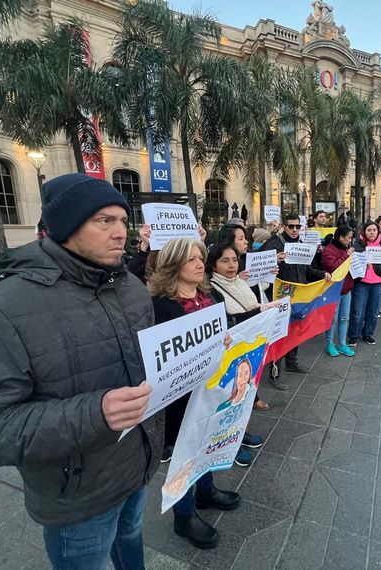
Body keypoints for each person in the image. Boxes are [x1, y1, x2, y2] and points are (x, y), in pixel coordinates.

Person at [0, 173, 162, 569]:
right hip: (75, 495)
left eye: (123, 221)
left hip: (135, 464)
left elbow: (145, 360)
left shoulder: (129, 286)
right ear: (66, 227)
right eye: (103, 221)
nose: (120, 232)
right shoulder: (3, 310)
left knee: (129, 540)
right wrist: (94, 414)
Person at [149, 238, 240, 550]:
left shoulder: (208, 294)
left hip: (209, 387)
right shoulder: (160, 305)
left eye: (200, 257)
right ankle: (183, 514)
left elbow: (220, 330)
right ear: (173, 264)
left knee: (205, 441)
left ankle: (205, 490)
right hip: (179, 396)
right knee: (183, 451)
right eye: (191, 260)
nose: (200, 263)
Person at [205, 242, 275, 461]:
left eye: (234, 259)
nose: (231, 265)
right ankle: (226, 443)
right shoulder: (212, 289)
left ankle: (240, 432)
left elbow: (254, 302)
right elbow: (231, 320)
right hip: (230, 352)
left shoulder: (240, 281)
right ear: (214, 265)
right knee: (229, 396)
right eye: (224, 261)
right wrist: (259, 312)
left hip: (249, 347)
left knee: (243, 394)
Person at [261, 212, 330, 388]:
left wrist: (323, 274)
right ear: (284, 226)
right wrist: (273, 259)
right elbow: (256, 263)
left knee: (295, 331)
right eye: (291, 226)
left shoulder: (301, 244)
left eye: (297, 226)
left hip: (299, 297)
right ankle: (274, 373)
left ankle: (292, 363)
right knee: (279, 335)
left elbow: (308, 270)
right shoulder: (273, 244)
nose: (294, 229)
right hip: (279, 299)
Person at [348, 221, 381, 346]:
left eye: (374, 230)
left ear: (378, 231)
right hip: (361, 282)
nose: (372, 232)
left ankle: (368, 333)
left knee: (373, 311)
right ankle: (353, 335)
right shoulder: (357, 245)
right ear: (364, 232)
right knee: (357, 310)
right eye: (369, 230)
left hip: (378, 282)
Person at [321, 226, 356, 356]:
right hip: (333, 290)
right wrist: (346, 256)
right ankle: (329, 344)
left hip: (346, 288)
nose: (350, 240)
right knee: (332, 318)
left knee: (344, 317)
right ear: (341, 238)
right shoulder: (328, 251)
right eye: (349, 238)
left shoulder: (345, 248)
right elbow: (334, 267)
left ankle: (342, 344)